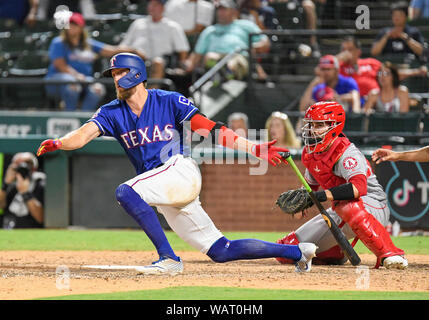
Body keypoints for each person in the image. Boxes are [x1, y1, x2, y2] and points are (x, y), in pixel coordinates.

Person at [36, 52, 317, 274]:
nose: (115, 78)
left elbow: (212, 129)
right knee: (221, 250)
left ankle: (168, 259)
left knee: (126, 191)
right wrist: (60, 142)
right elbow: (83, 135)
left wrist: (252, 148)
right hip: (164, 188)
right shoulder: (111, 112)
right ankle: (299, 251)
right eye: (113, 74)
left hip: (179, 170)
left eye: (120, 72)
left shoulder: (167, 100)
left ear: (136, 74)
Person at [275, 101, 408, 270]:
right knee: (287, 251)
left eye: (319, 125)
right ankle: (334, 253)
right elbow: (311, 187)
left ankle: (391, 254)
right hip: (339, 210)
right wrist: (301, 204)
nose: (312, 130)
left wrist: (320, 196)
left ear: (334, 126)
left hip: (372, 206)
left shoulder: (346, 153)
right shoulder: (311, 153)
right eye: (310, 125)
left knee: (347, 206)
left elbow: (358, 189)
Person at [45, 12, 140, 111]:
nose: (72, 27)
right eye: (70, 24)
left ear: (81, 27)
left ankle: (83, 119)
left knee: (97, 89)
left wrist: (132, 50)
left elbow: (109, 50)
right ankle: (69, 116)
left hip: (83, 81)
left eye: (75, 25)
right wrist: (76, 76)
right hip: (58, 80)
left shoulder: (88, 44)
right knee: (72, 85)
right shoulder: (59, 42)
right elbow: (60, 65)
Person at [184, 0, 271, 81]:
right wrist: (186, 65)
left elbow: (265, 43)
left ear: (234, 11)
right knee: (210, 56)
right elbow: (196, 55)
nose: (220, 13)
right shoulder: (209, 30)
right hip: (215, 59)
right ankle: (221, 75)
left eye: (224, 9)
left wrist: (253, 47)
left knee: (232, 63)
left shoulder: (246, 25)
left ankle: (223, 75)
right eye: (219, 10)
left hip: (239, 56)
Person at [120, 0, 190, 84]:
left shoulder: (172, 26)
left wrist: (181, 66)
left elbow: (182, 49)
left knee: (158, 62)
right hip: (137, 59)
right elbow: (124, 45)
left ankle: (151, 95)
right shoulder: (138, 23)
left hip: (162, 62)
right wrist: (133, 51)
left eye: (155, 5)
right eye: (150, 4)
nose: (152, 7)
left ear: (163, 8)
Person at [0, 152, 45, 229]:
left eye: (27, 163)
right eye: (18, 163)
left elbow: (41, 218)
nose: (22, 166)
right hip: (8, 229)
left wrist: (25, 193)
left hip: (31, 232)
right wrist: (5, 184)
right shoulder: (10, 185)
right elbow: (1, 205)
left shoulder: (41, 183)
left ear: (34, 167)